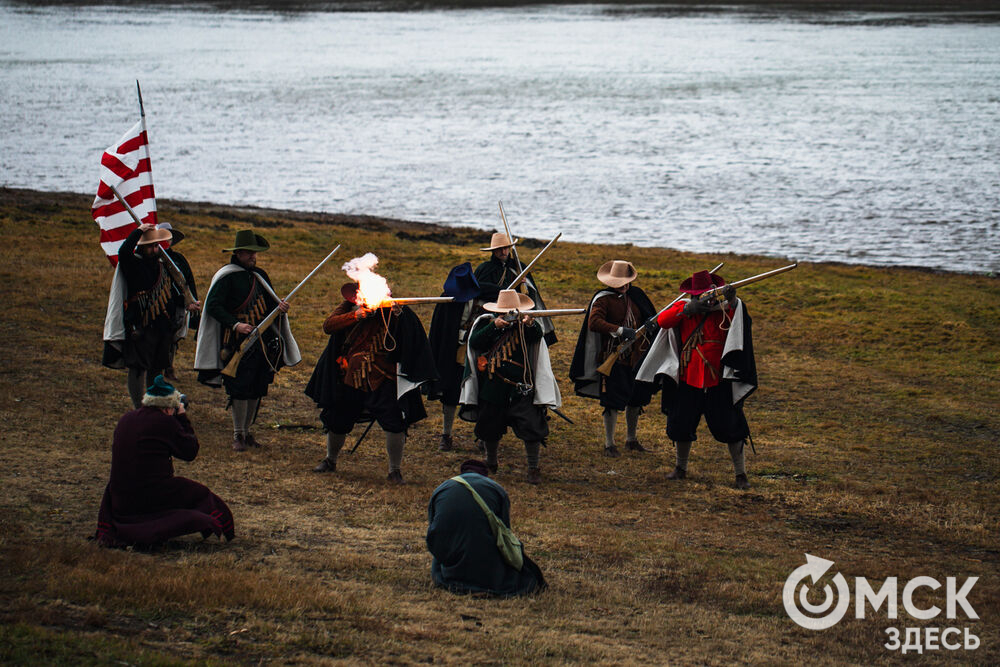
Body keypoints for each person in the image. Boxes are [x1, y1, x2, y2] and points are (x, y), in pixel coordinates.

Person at [637, 270, 757, 490]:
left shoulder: (725, 308)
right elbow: (663, 320)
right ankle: (680, 468)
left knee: (732, 426)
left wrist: (733, 299)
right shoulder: (683, 307)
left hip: (718, 380)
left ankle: (741, 474)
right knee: (681, 424)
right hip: (687, 379)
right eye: (700, 295)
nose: (706, 298)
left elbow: (739, 317)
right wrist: (687, 309)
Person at [306, 282, 437, 484]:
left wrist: (397, 316)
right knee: (337, 419)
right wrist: (356, 316)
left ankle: (395, 470)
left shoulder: (394, 308)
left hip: (382, 377)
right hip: (350, 376)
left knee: (394, 423)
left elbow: (408, 336)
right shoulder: (349, 308)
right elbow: (329, 326)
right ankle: (330, 460)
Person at [95, 375, 234, 548]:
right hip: (150, 494)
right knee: (200, 494)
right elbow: (190, 451)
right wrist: (182, 417)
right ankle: (219, 527)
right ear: (169, 407)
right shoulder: (165, 422)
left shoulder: (126, 418)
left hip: (119, 495)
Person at [194, 229, 301, 451]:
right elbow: (213, 306)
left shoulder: (260, 275)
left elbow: (270, 305)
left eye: (255, 253)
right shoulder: (226, 277)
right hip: (235, 341)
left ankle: (248, 431)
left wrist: (280, 307)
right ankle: (238, 434)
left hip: (261, 341)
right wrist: (236, 324)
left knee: (257, 387)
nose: (253, 257)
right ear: (239, 253)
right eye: (249, 253)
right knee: (239, 388)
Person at [459, 289, 561, 484]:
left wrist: (529, 325)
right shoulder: (488, 324)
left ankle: (533, 467)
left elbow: (537, 336)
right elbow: (474, 341)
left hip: (520, 388)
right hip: (493, 387)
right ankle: (491, 462)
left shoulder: (526, 325)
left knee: (531, 428)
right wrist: (495, 327)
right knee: (489, 427)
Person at [569, 260, 658, 457]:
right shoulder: (603, 299)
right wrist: (619, 330)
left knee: (636, 398)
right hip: (614, 356)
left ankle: (631, 439)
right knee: (612, 401)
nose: (623, 285)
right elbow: (594, 322)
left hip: (636, 356)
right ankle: (609, 444)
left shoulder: (636, 295)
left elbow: (648, 316)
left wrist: (651, 324)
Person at [426, 459, 546, 597]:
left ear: (462, 473)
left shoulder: (442, 487)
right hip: (485, 554)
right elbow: (504, 532)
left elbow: (434, 530)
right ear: (485, 475)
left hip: (452, 554)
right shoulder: (496, 488)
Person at [103, 223, 184, 408]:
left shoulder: (162, 265)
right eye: (150, 246)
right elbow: (123, 252)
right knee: (138, 368)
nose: (154, 249)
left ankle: (153, 404)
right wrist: (138, 231)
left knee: (157, 369)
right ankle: (139, 408)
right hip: (140, 326)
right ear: (141, 246)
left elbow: (172, 292)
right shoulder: (133, 263)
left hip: (162, 327)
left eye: (156, 246)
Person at [426, 262, 482, 452]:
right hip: (452, 353)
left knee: (480, 390)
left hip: (477, 351)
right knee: (450, 394)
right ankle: (446, 434)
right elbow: (438, 331)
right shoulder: (446, 300)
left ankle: (482, 434)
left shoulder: (483, 295)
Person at [474, 231, 557, 345]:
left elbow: (529, 291)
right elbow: (479, 289)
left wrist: (523, 286)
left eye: (506, 248)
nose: (503, 252)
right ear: (493, 250)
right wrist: (506, 289)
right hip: (492, 311)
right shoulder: (485, 268)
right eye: (499, 249)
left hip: (517, 310)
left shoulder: (519, 266)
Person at [157, 222, 201, 382]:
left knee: (173, 338)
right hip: (159, 304)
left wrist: (191, 301)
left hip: (178, 305)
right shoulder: (154, 258)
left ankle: (169, 366)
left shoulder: (179, 259)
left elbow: (187, 282)